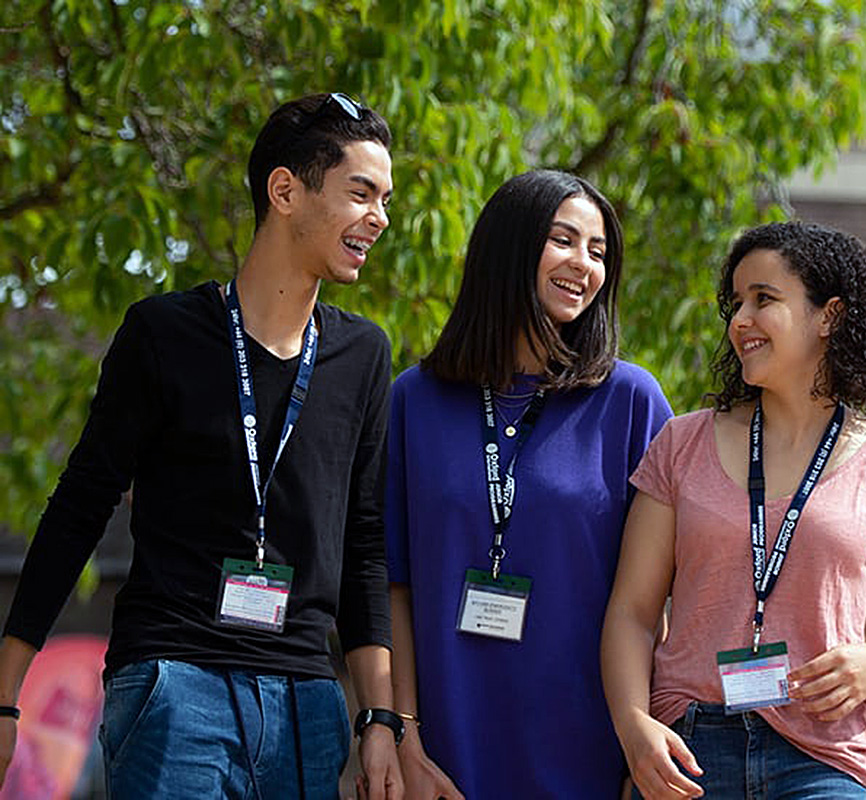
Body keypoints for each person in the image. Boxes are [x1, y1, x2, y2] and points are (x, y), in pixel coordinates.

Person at [0, 93, 405, 799]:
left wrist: (379, 718)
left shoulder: (363, 356)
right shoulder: (163, 334)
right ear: (286, 191)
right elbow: (79, 508)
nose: (380, 218)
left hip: (307, 703)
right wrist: (6, 695)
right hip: (173, 684)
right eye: (361, 193)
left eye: (386, 201)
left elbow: (363, 542)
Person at [601, 221, 866, 799]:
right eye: (736, 303)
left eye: (763, 299)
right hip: (686, 750)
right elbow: (633, 612)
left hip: (823, 756)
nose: (740, 320)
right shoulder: (680, 444)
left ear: (829, 317)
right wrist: (634, 726)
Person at [384, 169, 673, 799]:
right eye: (563, 240)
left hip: (591, 755)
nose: (584, 264)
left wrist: (643, 750)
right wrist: (404, 734)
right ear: (509, 246)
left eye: (598, 252)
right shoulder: (414, 399)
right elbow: (393, 586)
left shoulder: (632, 401)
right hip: (444, 760)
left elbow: (659, 606)